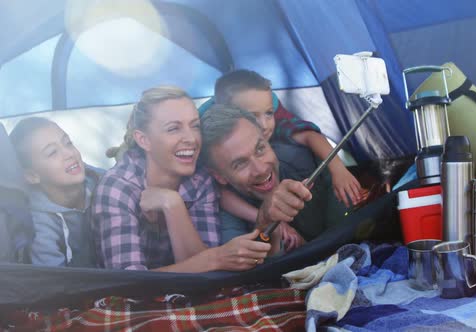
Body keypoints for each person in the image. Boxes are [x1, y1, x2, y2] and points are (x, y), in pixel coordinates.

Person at [92, 86, 303, 272]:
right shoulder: (118, 187)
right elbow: (128, 282)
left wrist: (173, 205)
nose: (191, 139)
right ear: (144, 140)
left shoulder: (199, 180)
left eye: (194, 126)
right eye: (174, 128)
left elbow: (204, 270)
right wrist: (217, 258)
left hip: (183, 294)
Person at [206, 70, 362, 250]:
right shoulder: (207, 135)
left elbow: (309, 135)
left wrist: (339, 170)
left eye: (268, 114)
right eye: (240, 163)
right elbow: (216, 189)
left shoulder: (288, 143)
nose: (264, 125)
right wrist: (264, 218)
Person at [9, 117, 100, 267]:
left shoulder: (106, 184)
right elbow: (54, 281)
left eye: (68, 143)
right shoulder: (37, 223)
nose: (69, 154)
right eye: (52, 153)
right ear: (32, 176)